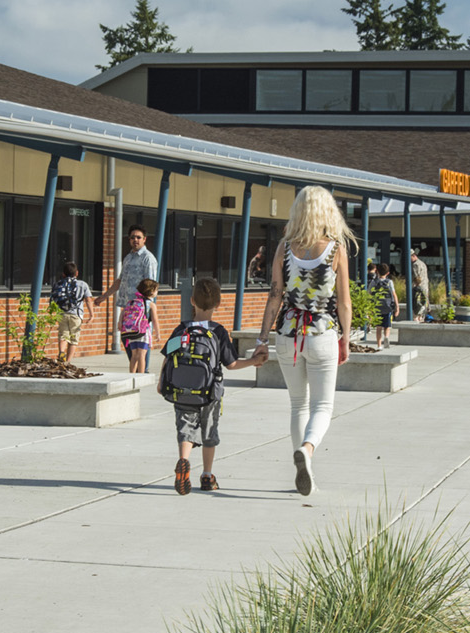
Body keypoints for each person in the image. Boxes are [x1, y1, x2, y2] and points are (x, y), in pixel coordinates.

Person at [258, 186, 353, 496]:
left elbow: (275, 295)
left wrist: (262, 338)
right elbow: (344, 302)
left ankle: (303, 465)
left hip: (288, 333)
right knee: (322, 406)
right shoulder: (336, 249)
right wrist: (346, 339)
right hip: (322, 333)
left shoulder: (284, 248)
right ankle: (308, 451)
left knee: (298, 404)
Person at [159, 276, 265, 495]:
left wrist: (162, 382)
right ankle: (207, 476)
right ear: (218, 304)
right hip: (209, 392)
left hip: (182, 390)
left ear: (191, 301)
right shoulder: (218, 332)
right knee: (209, 432)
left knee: (185, 428)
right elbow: (232, 364)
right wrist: (254, 361)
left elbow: (168, 356)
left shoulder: (181, 330)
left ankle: (183, 461)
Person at [102, 224, 159, 353]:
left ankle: (143, 371)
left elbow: (150, 286)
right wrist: (104, 296)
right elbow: (120, 280)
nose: (135, 240)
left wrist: (148, 309)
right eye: (132, 237)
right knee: (128, 342)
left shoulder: (148, 259)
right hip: (128, 308)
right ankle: (137, 371)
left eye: (138, 237)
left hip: (141, 310)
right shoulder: (128, 258)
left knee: (141, 346)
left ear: (144, 239)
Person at [51, 260, 91, 363]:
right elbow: (88, 300)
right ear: (76, 273)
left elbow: (53, 300)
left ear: (63, 274)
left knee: (63, 334)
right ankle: (67, 362)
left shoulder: (58, 284)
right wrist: (91, 314)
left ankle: (61, 352)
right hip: (76, 315)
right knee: (73, 339)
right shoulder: (82, 284)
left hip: (62, 314)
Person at [119, 278, 158, 373]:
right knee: (142, 355)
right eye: (156, 290)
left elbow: (123, 312)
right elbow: (155, 320)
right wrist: (158, 333)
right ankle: (141, 375)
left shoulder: (133, 302)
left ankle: (131, 374)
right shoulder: (151, 304)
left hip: (132, 331)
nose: (157, 292)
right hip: (143, 332)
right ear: (152, 291)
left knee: (134, 355)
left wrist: (120, 323)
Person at [408, 247, 430, 321]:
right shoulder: (422, 263)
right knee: (422, 308)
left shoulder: (415, 265)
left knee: (417, 308)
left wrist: (415, 286)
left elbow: (416, 277)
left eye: (410, 257)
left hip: (418, 289)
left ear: (413, 256)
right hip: (425, 288)